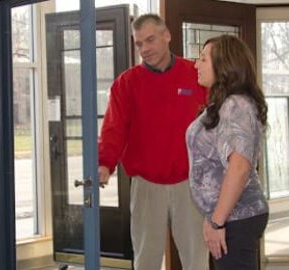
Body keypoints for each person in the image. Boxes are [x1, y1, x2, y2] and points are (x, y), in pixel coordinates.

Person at [98, 14, 209, 270]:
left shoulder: (194, 74)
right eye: (139, 44)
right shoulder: (126, 83)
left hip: (190, 184)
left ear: (166, 35)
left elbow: (217, 119)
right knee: (146, 260)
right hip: (146, 186)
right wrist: (105, 164)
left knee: (196, 260)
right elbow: (113, 129)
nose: (145, 49)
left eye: (150, 40)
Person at [186, 35, 269, 269]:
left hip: (237, 217)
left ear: (224, 65)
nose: (196, 65)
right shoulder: (225, 104)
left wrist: (216, 222)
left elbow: (240, 168)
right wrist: (211, 218)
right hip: (229, 216)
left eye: (203, 59)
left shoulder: (236, 106)